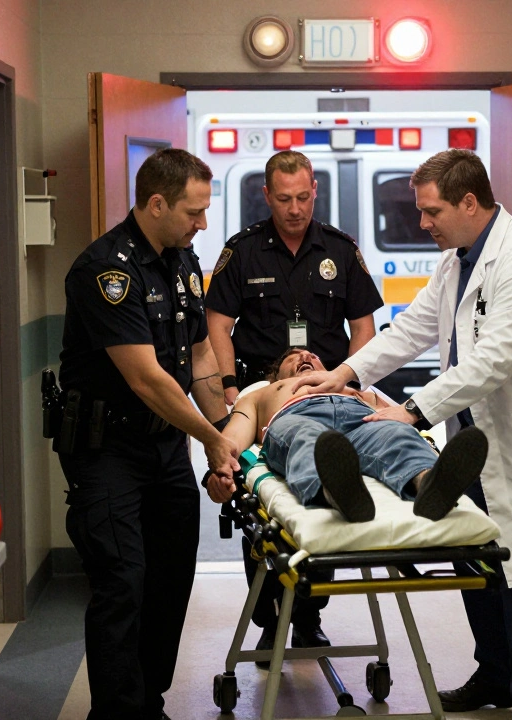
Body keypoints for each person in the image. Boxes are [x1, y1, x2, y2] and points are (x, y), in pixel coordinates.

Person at [291, 149, 512, 720]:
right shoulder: (456, 260)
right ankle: (496, 676)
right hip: (478, 440)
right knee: (474, 561)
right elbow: (411, 329)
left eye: (431, 212)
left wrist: (411, 411)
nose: (423, 223)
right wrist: (345, 373)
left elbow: (494, 360)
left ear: (469, 202)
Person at [53, 148, 240, 720]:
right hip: (107, 449)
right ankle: (116, 712)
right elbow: (147, 380)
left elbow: (201, 354)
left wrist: (228, 439)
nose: (203, 223)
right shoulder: (104, 271)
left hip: (165, 448)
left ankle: (148, 702)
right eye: (194, 211)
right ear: (156, 203)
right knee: (122, 583)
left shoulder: (182, 259)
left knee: (168, 580)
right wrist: (211, 438)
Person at [204, 150, 384, 658]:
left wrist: (349, 382)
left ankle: (308, 617)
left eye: (303, 197)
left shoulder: (341, 250)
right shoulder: (242, 252)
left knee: (317, 499)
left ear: (315, 192)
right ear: (267, 195)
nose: (295, 208)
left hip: (326, 386)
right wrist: (230, 388)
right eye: (284, 199)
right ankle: (268, 618)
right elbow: (217, 324)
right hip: (263, 391)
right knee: (261, 507)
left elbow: (363, 327)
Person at [205, 348, 489, 523]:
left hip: (362, 420)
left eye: (312, 356)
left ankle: (431, 484)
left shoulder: (356, 390)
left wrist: (410, 431)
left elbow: (404, 420)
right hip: (297, 417)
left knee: (394, 434)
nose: (305, 357)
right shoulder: (261, 394)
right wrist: (221, 470)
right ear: (277, 376)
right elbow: (231, 440)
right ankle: (337, 492)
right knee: (308, 439)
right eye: (293, 359)